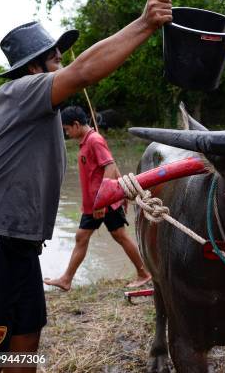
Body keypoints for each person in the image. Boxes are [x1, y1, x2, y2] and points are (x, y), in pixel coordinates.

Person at [0, 0, 171, 360]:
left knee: (26, 341)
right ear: (33, 70)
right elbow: (84, 70)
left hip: (25, 245)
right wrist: (145, 24)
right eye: (55, 58)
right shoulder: (17, 92)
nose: (63, 62)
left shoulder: (42, 113)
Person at [43, 107, 151, 291]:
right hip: (94, 204)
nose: (67, 133)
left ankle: (144, 273)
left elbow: (110, 167)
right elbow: (109, 167)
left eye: (67, 129)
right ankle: (66, 279)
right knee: (82, 237)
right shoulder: (87, 141)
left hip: (104, 203)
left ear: (76, 124)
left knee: (119, 236)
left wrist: (105, 200)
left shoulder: (94, 140)